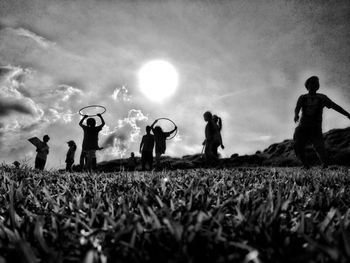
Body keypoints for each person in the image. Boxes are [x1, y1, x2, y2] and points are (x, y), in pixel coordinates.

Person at [294, 76, 350, 169]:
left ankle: (325, 165)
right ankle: (305, 165)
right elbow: (297, 107)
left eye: (316, 83)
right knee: (297, 144)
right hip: (302, 125)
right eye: (312, 83)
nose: (315, 85)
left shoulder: (322, 97)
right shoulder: (303, 97)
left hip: (315, 127)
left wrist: (347, 114)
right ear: (307, 85)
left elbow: (335, 106)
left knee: (319, 146)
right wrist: (296, 115)